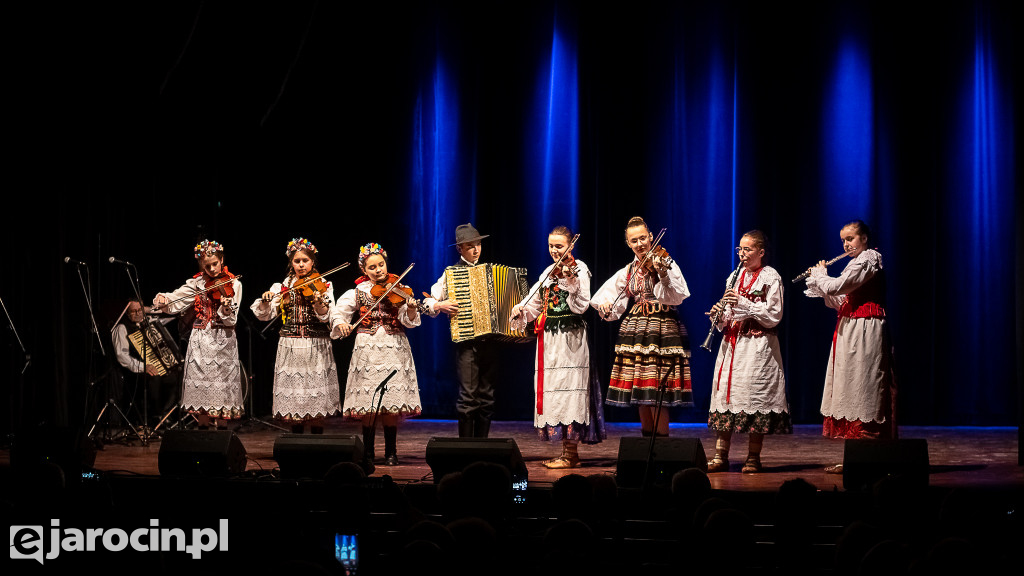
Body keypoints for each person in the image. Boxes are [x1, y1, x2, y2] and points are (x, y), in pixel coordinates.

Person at [802, 220, 897, 473]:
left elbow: (837, 286)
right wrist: (818, 284)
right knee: (850, 388)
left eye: (851, 238)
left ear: (864, 238)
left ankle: (869, 457)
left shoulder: (870, 258)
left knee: (864, 387)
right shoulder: (855, 262)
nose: (846, 244)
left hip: (866, 329)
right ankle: (855, 458)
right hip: (850, 329)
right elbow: (839, 299)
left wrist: (822, 277)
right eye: (843, 240)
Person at [509, 226, 605, 469]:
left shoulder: (579, 269)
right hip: (550, 340)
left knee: (569, 390)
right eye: (551, 245)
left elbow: (581, 305)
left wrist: (569, 279)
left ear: (570, 246)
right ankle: (565, 451)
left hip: (571, 339)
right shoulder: (547, 273)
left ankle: (571, 454)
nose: (554, 250)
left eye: (559, 246)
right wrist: (520, 308)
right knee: (555, 391)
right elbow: (533, 303)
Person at [591, 216, 693, 436]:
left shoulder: (665, 262)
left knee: (657, 394)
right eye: (634, 240)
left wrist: (663, 273)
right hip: (636, 331)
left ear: (651, 237)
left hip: (662, 330)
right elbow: (606, 298)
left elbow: (677, 296)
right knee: (642, 393)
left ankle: (661, 447)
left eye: (643, 238)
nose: (640, 244)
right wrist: (606, 304)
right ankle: (647, 444)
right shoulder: (628, 271)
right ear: (629, 243)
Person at [705, 230, 792, 473]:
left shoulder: (771, 276)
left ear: (761, 252)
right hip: (733, 345)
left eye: (748, 249)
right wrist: (719, 316)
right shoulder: (734, 276)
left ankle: (753, 456)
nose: (742, 254)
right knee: (726, 397)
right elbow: (730, 313)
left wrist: (745, 304)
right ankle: (720, 455)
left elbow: (774, 316)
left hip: (757, 346)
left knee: (756, 397)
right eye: (739, 250)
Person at [331, 242, 422, 465]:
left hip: (393, 345)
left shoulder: (398, 287)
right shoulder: (358, 291)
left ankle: (391, 452)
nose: (378, 270)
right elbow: (338, 312)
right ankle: (368, 453)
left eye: (381, 265)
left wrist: (410, 308)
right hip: (367, 347)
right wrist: (341, 323)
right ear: (364, 270)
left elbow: (408, 321)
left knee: (390, 402)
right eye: (372, 267)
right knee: (369, 402)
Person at [251, 237, 342, 434]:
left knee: (315, 396)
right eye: (297, 261)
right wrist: (266, 300)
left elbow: (327, 315)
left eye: (305, 261)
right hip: (290, 344)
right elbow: (265, 315)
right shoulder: (282, 287)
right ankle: (296, 443)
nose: (301, 265)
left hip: (316, 343)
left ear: (313, 262)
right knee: (295, 396)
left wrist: (319, 302)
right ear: (291, 263)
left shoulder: (324, 284)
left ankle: (317, 441)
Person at [153, 240, 243, 429]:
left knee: (221, 387)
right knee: (203, 388)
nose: (211, 269)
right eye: (207, 266)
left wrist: (226, 308)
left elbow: (231, 320)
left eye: (215, 264)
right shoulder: (197, 283)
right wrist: (164, 299)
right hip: (201, 339)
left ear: (222, 260)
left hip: (224, 340)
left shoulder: (234, 283)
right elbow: (176, 298)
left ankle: (222, 436)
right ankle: (202, 434)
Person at [423, 223, 499, 438]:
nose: (476, 250)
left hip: (490, 341)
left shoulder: (490, 272)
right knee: (468, 397)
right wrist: (439, 305)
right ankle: (465, 447)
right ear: (459, 249)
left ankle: (482, 446)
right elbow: (428, 301)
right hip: (466, 342)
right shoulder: (451, 273)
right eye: (470, 246)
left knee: (487, 396)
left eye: (478, 245)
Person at [110, 299, 182, 429]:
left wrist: (148, 309)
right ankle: (153, 417)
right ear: (127, 314)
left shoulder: (149, 321)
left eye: (140, 310)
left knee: (177, 375)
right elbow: (122, 356)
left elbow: (170, 314)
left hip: (155, 366)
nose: (138, 314)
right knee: (154, 378)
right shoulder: (121, 327)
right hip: (133, 372)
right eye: (134, 311)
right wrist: (143, 367)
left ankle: (165, 416)